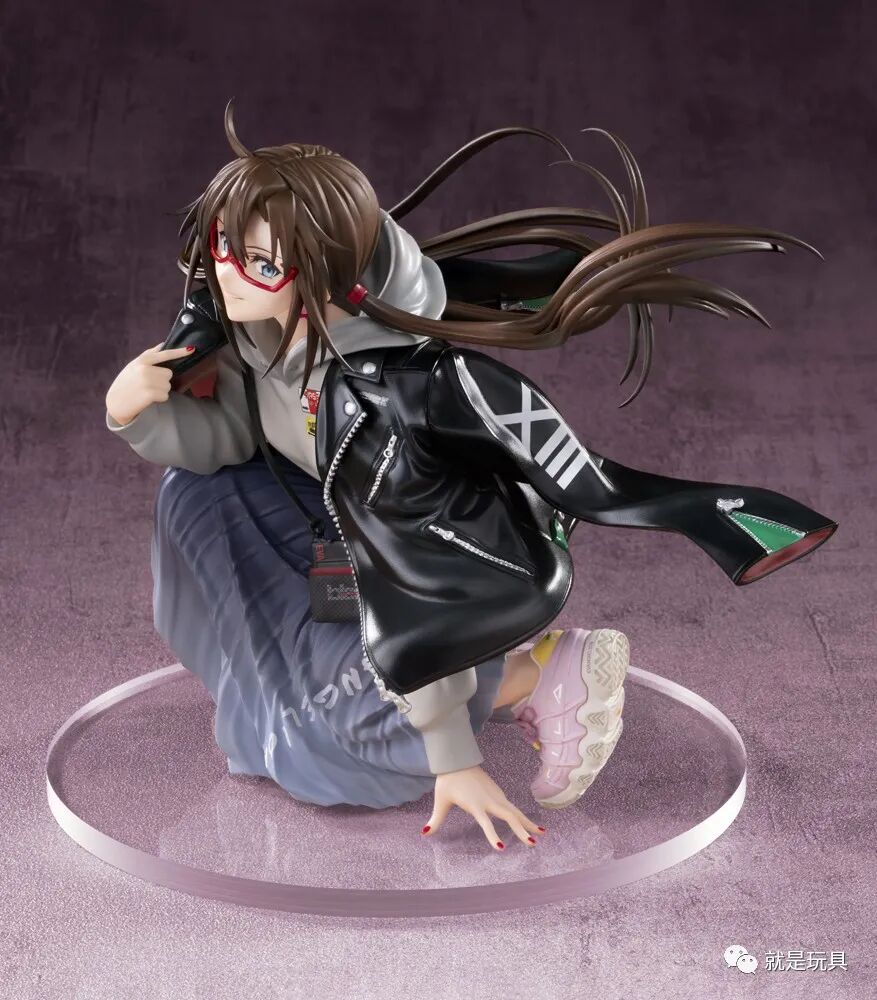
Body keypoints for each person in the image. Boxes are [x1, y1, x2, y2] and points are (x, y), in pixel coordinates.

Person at [104, 101, 835, 851]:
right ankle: (410, 691)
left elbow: (410, 575)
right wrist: (133, 408)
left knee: (330, 748)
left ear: (326, 269)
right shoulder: (252, 326)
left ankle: (533, 674)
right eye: (222, 248)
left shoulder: (388, 397)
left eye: (261, 263)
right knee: (195, 507)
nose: (227, 275)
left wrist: (453, 758)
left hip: (441, 559)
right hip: (334, 526)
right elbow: (228, 440)